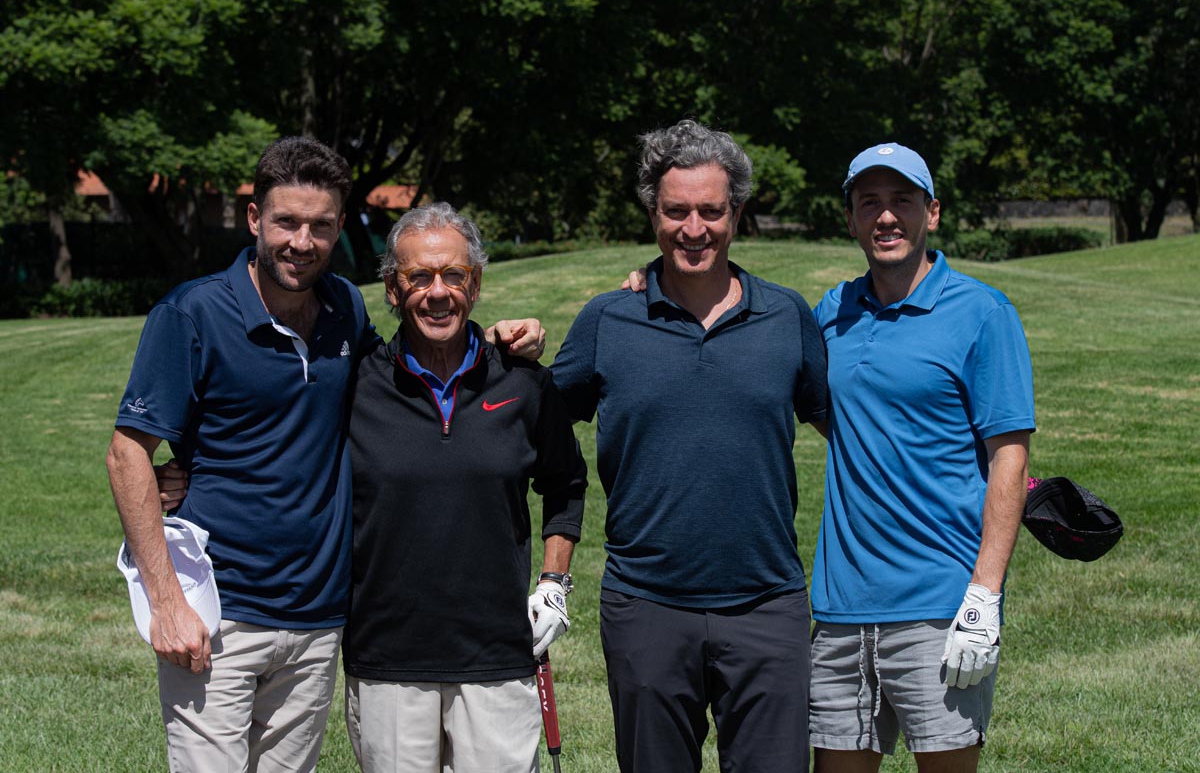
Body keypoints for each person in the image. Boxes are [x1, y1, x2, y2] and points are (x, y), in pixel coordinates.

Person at [107, 136, 544, 773]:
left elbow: (415, 365)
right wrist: (167, 602)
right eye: (286, 222)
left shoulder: (344, 309)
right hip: (218, 614)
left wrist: (501, 338)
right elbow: (127, 454)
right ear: (256, 219)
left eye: (320, 226)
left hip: (318, 621)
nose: (301, 242)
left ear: (339, 228)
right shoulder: (192, 314)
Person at [551, 119, 829, 772]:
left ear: (737, 213)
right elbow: (530, 424)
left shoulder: (788, 316)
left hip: (766, 603)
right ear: (653, 212)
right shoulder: (606, 320)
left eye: (711, 211)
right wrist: (503, 352)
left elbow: (849, 433)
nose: (694, 229)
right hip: (645, 605)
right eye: (676, 211)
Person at [808, 143, 1035, 772]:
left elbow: (1008, 458)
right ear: (850, 219)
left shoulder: (983, 314)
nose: (886, 216)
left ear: (931, 213)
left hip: (940, 607)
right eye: (870, 203)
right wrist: (652, 279)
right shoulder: (832, 314)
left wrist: (984, 596)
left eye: (902, 200)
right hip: (840, 609)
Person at [340, 203, 587, 773]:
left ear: (475, 285)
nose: (438, 292)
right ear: (391, 289)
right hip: (387, 656)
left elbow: (566, 482)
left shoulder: (524, 383)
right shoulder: (356, 386)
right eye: (418, 277)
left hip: (497, 652)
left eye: (454, 275)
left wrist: (554, 581)